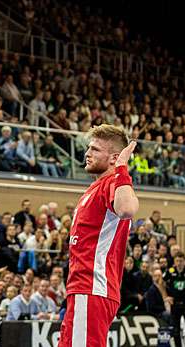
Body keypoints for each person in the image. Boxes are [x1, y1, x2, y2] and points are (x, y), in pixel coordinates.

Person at [58, 125, 139, 347]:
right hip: (82, 289)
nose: (87, 153)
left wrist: (122, 168)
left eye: (94, 149)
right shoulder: (96, 187)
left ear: (114, 157)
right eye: (88, 148)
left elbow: (128, 209)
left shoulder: (112, 182)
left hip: (92, 288)